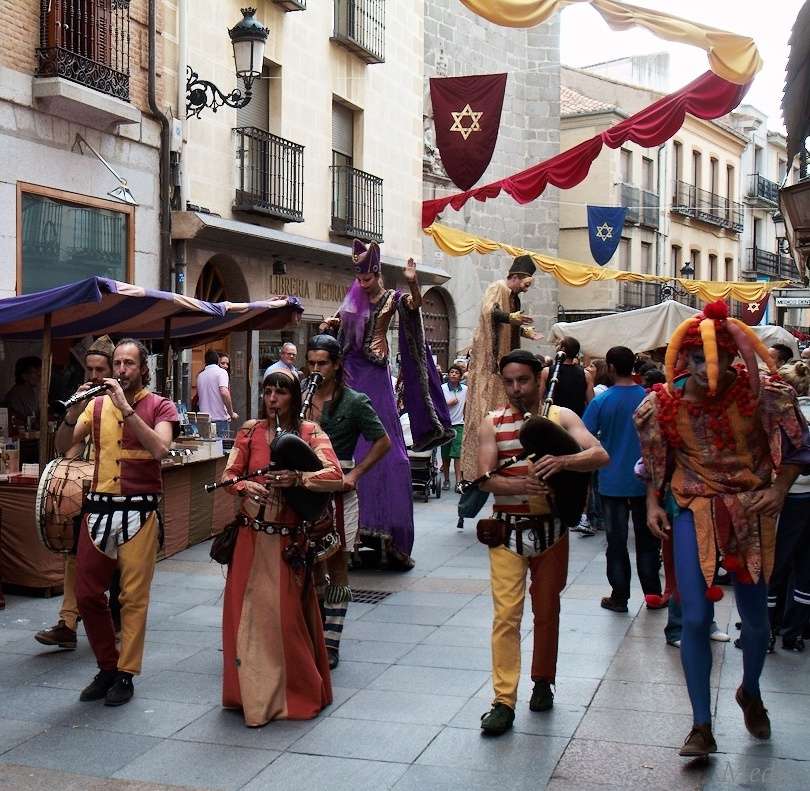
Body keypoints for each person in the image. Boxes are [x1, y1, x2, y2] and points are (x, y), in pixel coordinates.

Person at [635, 300, 810, 757]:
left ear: (736, 355)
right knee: (694, 616)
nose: (705, 368)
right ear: (683, 357)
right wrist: (655, 501)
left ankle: (750, 689)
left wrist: (779, 489)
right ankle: (700, 725)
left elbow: (799, 449)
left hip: (751, 511)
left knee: (755, 623)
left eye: (715, 358)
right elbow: (654, 462)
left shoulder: (767, 396)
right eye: (696, 358)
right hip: (694, 509)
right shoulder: (662, 404)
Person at [478, 350, 608, 735]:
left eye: (524, 380)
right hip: (507, 529)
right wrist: (517, 483)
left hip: (552, 530)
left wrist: (564, 463)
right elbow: (484, 476)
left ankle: (542, 681)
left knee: (547, 610)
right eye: (510, 381)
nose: (517, 389)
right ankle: (503, 700)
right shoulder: (491, 423)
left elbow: (600, 454)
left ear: (539, 379)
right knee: (505, 617)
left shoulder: (563, 417)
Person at [221, 369, 343, 726]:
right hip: (250, 535)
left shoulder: (310, 432)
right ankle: (251, 695)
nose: (272, 398)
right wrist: (244, 488)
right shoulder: (249, 431)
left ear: (293, 396)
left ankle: (294, 694)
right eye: (268, 391)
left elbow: (333, 474)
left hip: (289, 539)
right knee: (246, 618)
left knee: (286, 620)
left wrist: (298, 478)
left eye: (280, 392)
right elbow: (229, 476)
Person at [320, 239, 451, 568]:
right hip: (350, 373)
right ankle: (348, 532)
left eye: (366, 278)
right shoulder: (352, 300)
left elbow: (415, 305)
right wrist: (328, 326)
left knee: (391, 457)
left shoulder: (392, 299)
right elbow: (335, 323)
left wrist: (412, 280)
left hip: (376, 377)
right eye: (359, 279)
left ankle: (391, 533)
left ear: (377, 273)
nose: (361, 284)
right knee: (346, 446)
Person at [62, 339, 178, 707]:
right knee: (87, 593)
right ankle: (107, 667)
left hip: (139, 510)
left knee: (132, 598)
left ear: (143, 368)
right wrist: (72, 412)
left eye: (129, 364)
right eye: (117, 363)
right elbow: (61, 445)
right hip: (97, 508)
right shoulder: (95, 406)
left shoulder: (160, 405)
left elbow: (161, 449)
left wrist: (126, 409)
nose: (121, 370)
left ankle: (126, 673)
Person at [304, 334, 390, 669]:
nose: (315, 369)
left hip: (339, 491)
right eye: (310, 363)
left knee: (336, 564)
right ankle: (310, 632)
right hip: (303, 488)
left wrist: (356, 475)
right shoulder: (300, 396)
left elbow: (382, 442)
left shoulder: (354, 401)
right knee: (308, 564)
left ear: (337, 364)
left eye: (322, 363)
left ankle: (331, 642)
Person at [36, 336, 116, 650]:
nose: (94, 376)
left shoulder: (122, 401)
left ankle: (113, 625)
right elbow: (64, 448)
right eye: (89, 369)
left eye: (101, 370)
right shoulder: (85, 402)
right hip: (85, 487)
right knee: (73, 553)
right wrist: (74, 412)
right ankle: (67, 622)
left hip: (117, 489)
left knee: (113, 561)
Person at [583, 346, 662, 613]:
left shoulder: (601, 402)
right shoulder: (649, 398)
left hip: (612, 479)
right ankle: (653, 594)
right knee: (647, 541)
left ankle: (620, 596)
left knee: (616, 543)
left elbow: (586, 437)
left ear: (612, 368)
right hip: (645, 480)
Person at [460, 255, 542, 480]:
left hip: (505, 358)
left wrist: (525, 332)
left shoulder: (515, 297)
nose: (525, 290)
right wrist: (510, 317)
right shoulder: (497, 287)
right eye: (525, 284)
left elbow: (510, 324)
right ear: (515, 277)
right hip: (490, 360)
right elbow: (489, 312)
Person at [766, 360, 810, 651]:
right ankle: (794, 633)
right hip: (807, 497)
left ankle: (766, 632)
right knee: (806, 567)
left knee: (774, 566)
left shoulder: (782, 417)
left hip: (785, 498)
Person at [540, 337, 593, 416]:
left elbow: (539, 398)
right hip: (576, 419)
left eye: (558, 345)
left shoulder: (547, 371)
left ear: (563, 349)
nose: (556, 347)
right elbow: (591, 403)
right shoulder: (586, 375)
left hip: (552, 419)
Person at [196, 349, 237, 437]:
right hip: (220, 420)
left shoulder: (200, 375)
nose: (226, 366)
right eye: (223, 363)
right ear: (218, 361)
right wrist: (231, 413)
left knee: (206, 449)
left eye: (227, 364)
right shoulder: (222, 373)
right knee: (221, 449)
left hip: (204, 420)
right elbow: (224, 392)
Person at [441, 364, 467, 492]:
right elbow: (438, 406)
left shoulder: (465, 390)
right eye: (451, 372)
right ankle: (446, 479)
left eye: (456, 373)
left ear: (460, 376)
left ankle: (458, 481)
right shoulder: (442, 388)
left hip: (459, 424)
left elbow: (467, 405)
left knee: (457, 455)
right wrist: (449, 403)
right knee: (445, 455)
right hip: (445, 425)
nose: (453, 374)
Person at [4, 355, 42, 426]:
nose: (40, 375)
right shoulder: (15, 394)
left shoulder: (32, 391)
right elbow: (18, 419)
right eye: (36, 372)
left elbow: (35, 414)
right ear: (24, 375)